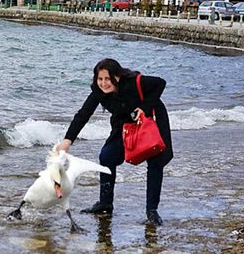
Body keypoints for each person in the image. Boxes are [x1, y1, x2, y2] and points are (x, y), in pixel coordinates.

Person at [56, 58, 173, 226]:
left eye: (107, 79)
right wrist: (68, 140)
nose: (103, 83)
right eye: (100, 79)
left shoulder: (133, 83)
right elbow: (83, 114)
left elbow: (160, 83)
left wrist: (144, 108)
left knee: (155, 162)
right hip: (124, 125)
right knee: (107, 156)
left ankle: (152, 211)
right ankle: (105, 203)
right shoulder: (98, 91)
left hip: (150, 122)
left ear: (117, 77)